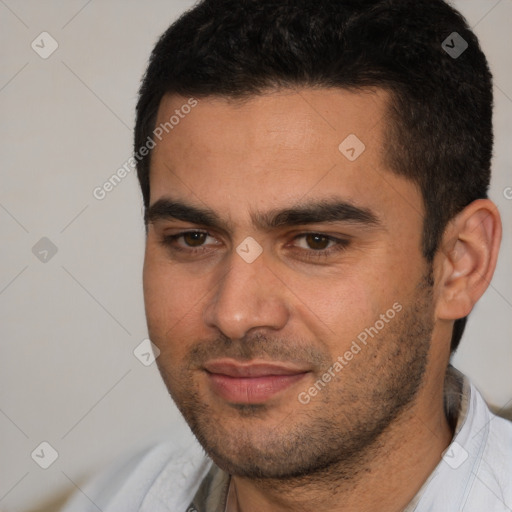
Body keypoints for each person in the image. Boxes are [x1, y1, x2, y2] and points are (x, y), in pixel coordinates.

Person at [62, 0, 512, 510]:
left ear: (460, 263)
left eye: (315, 241)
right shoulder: (114, 496)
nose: (234, 314)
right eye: (193, 238)